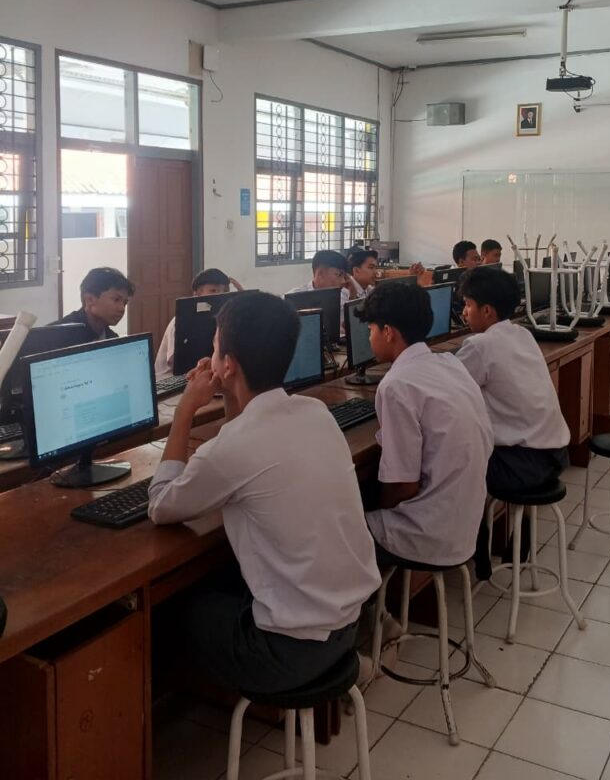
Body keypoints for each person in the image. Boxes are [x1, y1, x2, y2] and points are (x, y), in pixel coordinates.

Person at [148, 291, 381, 693]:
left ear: (229, 364)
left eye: (215, 348)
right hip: (347, 625)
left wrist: (185, 410)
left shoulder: (233, 448)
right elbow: (241, 437)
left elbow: (161, 505)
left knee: (166, 609)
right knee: (221, 580)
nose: (210, 356)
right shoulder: (314, 413)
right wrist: (229, 392)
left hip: (284, 653)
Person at [356, 283, 493, 567]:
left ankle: (373, 596)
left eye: (370, 330)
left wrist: (369, 510)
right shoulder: (450, 364)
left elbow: (403, 486)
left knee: (337, 529)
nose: (369, 338)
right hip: (466, 523)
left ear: (388, 332)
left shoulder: (397, 385)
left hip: (428, 531)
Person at [455, 268, 570, 575]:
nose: (464, 312)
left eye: (467, 305)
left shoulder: (480, 346)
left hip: (522, 467)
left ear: (487, 311)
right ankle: (515, 539)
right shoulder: (522, 334)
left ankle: (474, 549)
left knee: (457, 459)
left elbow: (449, 387)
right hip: (555, 456)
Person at [155, 269, 243, 379]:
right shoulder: (180, 322)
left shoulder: (222, 320)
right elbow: (180, 363)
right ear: (197, 295)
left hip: (204, 374)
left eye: (225, 291)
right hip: (170, 379)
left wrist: (242, 303)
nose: (220, 296)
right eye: (214, 291)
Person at [55, 266, 134, 341]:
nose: (122, 309)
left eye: (125, 303)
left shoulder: (112, 338)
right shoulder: (57, 336)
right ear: (89, 299)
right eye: (116, 300)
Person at [287, 249, 352, 334]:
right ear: (320, 273)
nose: (343, 281)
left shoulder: (344, 295)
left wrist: (353, 293)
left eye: (344, 276)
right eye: (339, 275)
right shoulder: (294, 298)